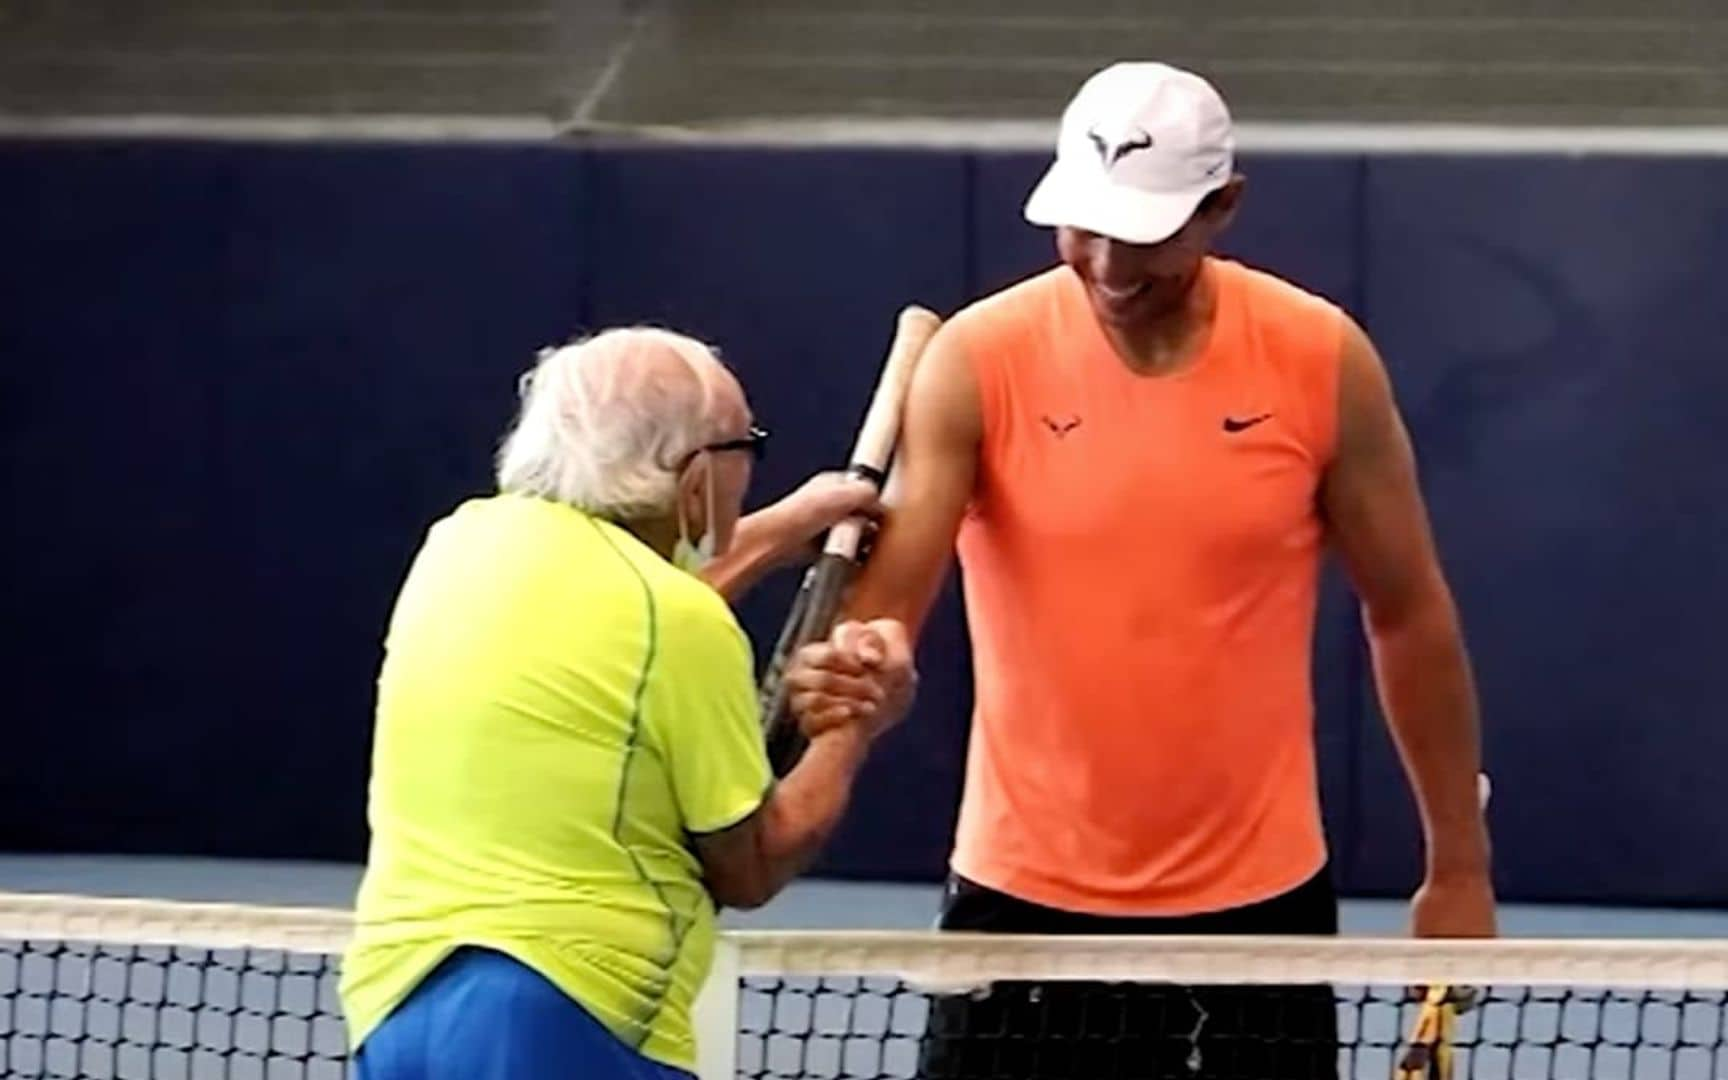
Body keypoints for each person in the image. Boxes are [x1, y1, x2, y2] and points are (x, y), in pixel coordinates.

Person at [841, 61, 1497, 1078]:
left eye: (1142, 233)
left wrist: (1457, 862)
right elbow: (885, 620)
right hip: (1016, 905)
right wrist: (861, 671)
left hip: (1255, 919)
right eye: (1081, 225)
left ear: (1221, 207)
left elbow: (1409, 616)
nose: (1105, 264)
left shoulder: (1322, 360)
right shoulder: (979, 360)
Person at [339, 326, 918, 1080]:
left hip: (395, 1011)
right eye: (748, 447)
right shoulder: (678, 622)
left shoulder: (458, 545)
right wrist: (856, 724)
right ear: (694, 481)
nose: (751, 468)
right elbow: (752, 865)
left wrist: (775, 531)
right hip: (568, 1017)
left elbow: (621, 620)